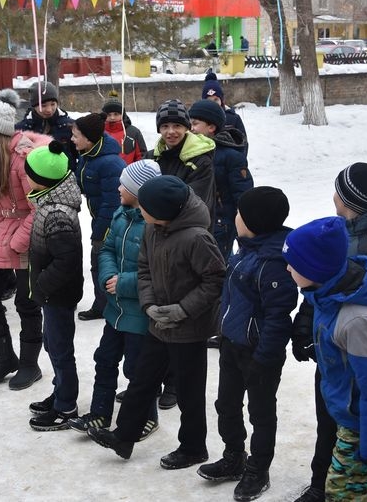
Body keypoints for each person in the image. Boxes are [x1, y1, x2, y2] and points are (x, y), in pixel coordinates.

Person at [87, 175, 226, 470]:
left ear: (162, 212)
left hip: (188, 328)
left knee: (189, 392)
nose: (141, 210)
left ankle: (193, 447)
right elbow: (144, 269)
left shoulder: (197, 238)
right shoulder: (152, 228)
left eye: (146, 207)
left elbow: (215, 281)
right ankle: (124, 437)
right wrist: (149, 304)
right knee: (142, 381)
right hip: (158, 322)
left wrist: (182, 310)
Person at [291, 163, 367, 502]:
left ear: (348, 199)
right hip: (332, 351)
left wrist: (345, 347)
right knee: (329, 420)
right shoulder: (338, 232)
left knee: (350, 427)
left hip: (355, 360)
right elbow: (321, 285)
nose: (333, 195)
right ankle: (324, 483)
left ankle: (350, 482)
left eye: (337, 190)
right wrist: (306, 326)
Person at [197, 186, 297, 502]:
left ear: (254, 221)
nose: (235, 217)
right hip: (232, 344)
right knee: (226, 405)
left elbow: (279, 317)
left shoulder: (273, 262)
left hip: (259, 353)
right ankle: (233, 456)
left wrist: (264, 358)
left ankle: (258, 469)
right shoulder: (247, 249)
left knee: (260, 413)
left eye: (239, 213)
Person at [68, 159, 162, 439]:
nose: (118, 188)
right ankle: (100, 413)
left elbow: (159, 272)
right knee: (105, 359)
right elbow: (107, 248)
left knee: (137, 368)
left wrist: (124, 283)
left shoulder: (154, 226)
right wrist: (108, 275)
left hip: (139, 313)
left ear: (139, 191)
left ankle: (147, 416)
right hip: (115, 309)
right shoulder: (121, 214)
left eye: (124, 184)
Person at [0, 89, 53, 391]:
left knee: (26, 303)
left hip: (26, 239)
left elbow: (39, 205)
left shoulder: (23, 160)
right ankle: (5, 358)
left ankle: (30, 364)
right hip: (0, 236)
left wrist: (18, 241)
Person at [149, 99, 217, 409]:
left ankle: (175, 384)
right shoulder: (155, 156)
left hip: (187, 239)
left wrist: (158, 215)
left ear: (187, 128)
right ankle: (158, 377)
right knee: (160, 307)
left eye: (177, 125)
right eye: (165, 126)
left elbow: (193, 202)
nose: (171, 131)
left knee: (182, 307)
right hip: (158, 236)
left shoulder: (200, 160)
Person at [24, 142, 85, 431]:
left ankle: (66, 405)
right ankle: (60, 391)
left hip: (58, 294)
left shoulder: (57, 214)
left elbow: (66, 261)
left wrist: (42, 286)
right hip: (52, 293)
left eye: (29, 173)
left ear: (41, 179)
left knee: (60, 349)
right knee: (52, 344)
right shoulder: (48, 202)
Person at [71, 112, 126, 322]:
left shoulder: (110, 163)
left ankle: (109, 307)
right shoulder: (89, 155)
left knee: (103, 263)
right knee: (99, 263)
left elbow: (113, 204)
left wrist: (100, 233)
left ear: (89, 138)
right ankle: (103, 305)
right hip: (100, 218)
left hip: (111, 223)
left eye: (76, 136)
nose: (72, 139)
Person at [189, 99, 252, 261]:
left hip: (221, 222)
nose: (191, 128)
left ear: (211, 127)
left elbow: (243, 193)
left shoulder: (231, 157)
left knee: (216, 264)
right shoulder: (190, 152)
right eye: (189, 123)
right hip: (196, 218)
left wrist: (243, 224)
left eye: (195, 124)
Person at [15, 81, 76, 167]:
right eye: (43, 105)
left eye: (53, 104)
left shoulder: (69, 125)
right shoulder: (22, 129)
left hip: (65, 173)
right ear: (34, 106)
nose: (49, 110)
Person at [202, 71, 247, 149]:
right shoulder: (199, 120)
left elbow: (243, 144)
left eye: (216, 99)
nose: (213, 103)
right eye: (208, 100)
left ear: (221, 100)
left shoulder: (233, 119)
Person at [101, 92, 147, 165]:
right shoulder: (99, 131)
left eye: (116, 114)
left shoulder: (133, 132)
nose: (112, 117)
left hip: (129, 171)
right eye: (108, 115)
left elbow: (141, 156)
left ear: (122, 114)